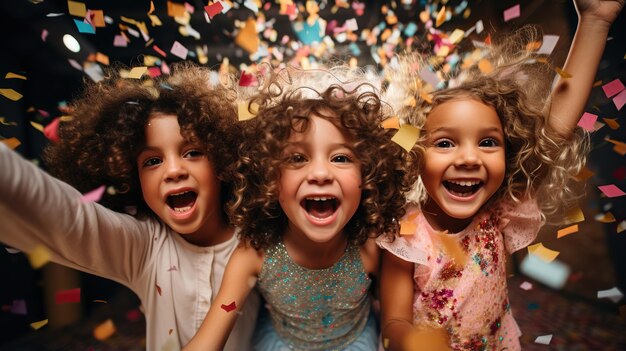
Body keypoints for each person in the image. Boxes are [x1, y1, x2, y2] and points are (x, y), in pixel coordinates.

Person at [378, 0, 624, 350]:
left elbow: (556, 128)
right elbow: (394, 322)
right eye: (446, 142)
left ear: (510, 154)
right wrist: (414, 341)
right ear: (415, 154)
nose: (468, 157)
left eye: (488, 142)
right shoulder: (406, 238)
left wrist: (595, 21)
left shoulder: (500, 208)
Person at [0, 62, 259, 351]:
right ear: (133, 180)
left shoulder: (259, 239)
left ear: (223, 162)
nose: (173, 170)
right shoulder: (144, 247)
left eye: (192, 152)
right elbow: (62, 215)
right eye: (152, 161)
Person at [183, 67, 419, 351]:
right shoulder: (253, 253)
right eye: (297, 157)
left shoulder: (372, 245)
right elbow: (207, 340)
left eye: (341, 158)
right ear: (270, 176)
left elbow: (396, 320)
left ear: (368, 175)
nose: (320, 173)